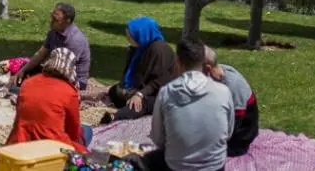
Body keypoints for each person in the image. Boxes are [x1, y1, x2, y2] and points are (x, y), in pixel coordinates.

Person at [142, 38, 234, 171]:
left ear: (178, 62)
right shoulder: (223, 92)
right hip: (215, 167)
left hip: (176, 167)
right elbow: (228, 132)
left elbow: (158, 138)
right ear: (203, 62)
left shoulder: (166, 93)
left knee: (144, 160)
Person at [3, 47, 93, 153]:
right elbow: (73, 129)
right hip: (51, 145)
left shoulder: (28, 83)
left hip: (20, 140)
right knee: (87, 131)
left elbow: (20, 114)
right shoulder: (69, 92)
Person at [105, 17, 177, 122]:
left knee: (138, 104)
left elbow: (160, 81)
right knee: (114, 91)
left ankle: (115, 116)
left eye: (130, 36)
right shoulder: (138, 47)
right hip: (142, 87)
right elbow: (132, 72)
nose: (128, 39)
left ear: (141, 35)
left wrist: (140, 94)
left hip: (160, 92)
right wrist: (126, 88)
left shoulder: (160, 50)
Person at [10, 3, 91, 90]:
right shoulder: (54, 32)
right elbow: (41, 54)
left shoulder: (75, 40)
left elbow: (64, 71)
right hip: (55, 70)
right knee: (21, 68)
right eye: (51, 17)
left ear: (67, 21)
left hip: (73, 80)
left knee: (34, 86)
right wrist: (23, 71)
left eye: (55, 19)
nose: (51, 21)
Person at [204, 46, 259, 157]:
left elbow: (235, 123)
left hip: (240, 135)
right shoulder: (218, 75)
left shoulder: (233, 86)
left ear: (208, 69)